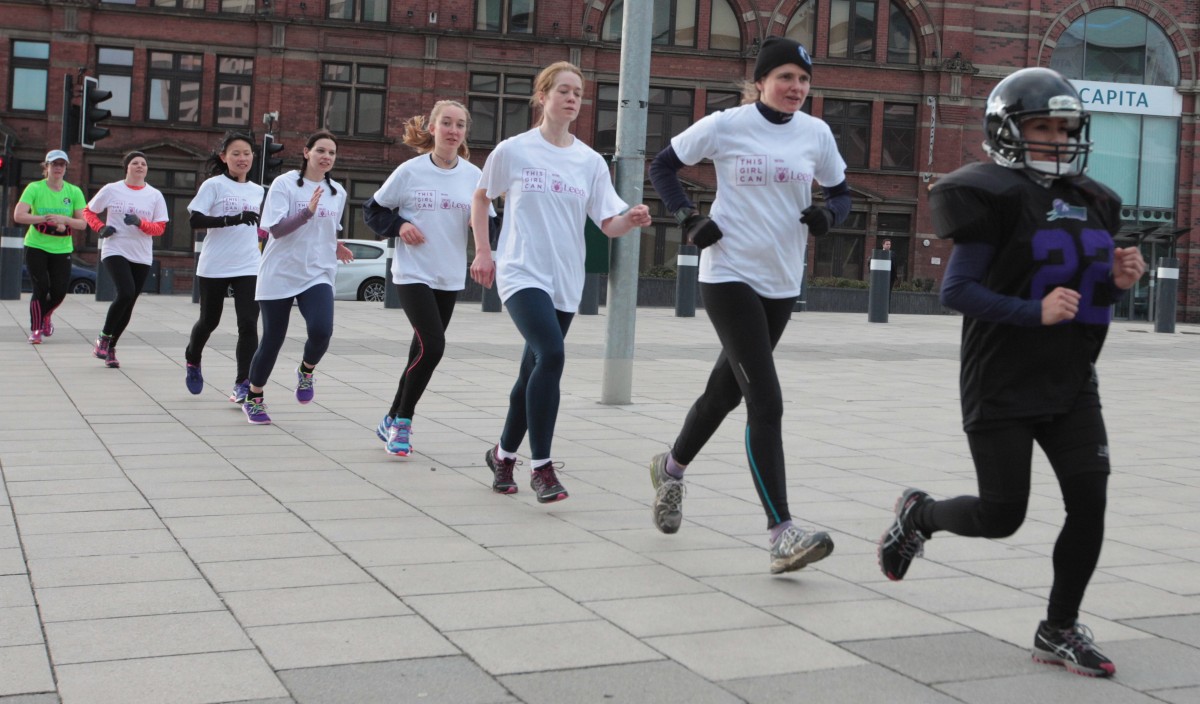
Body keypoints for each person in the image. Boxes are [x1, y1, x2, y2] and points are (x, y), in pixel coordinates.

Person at [877, 67, 1145, 678]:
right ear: (1008, 131)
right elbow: (957, 290)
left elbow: (1081, 291)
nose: (1055, 138)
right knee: (1003, 517)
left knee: (1091, 501)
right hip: (1002, 377)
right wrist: (1032, 311)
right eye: (1042, 126)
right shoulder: (989, 192)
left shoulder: (1094, 200)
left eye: (1065, 127)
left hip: (1073, 378)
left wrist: (1117, 280)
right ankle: (918, 515)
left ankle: (1058, 628)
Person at [646, 37, 850, 574]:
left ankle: (670, 469)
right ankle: (781, 531)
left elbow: (842, 192)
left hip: (781, 282)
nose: (796, 89)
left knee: (724, 393)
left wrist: (831, 217)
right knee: (767, 401)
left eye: (804, 80)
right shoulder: (725, 125)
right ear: (760, 81)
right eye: (785, 77)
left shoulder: (817, 134)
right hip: (729, 273)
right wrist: (689, 217)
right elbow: (662, 167)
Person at [470, 61, 651, 502]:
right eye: (564, 91)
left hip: (566, 279)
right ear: (543, 96)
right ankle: (542, 467)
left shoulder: (589, 161)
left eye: (578, 93)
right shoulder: (514, 150)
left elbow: (607, 222)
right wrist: (483, 251)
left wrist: (630, 218)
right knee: (552, 354)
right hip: (521, 270)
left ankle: (502, 455)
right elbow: (480, 196)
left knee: (532, 370)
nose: (573, 99)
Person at [368, 101, 488, 456]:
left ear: (465, 133)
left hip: (448, 276)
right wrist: (400, 225)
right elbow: (373, 210)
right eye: (446, 123)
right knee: (433, 347)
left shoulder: (473, 176)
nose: (453, 130)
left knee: (420, 351)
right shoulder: (410, 171)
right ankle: (402, 424)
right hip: (412, 274)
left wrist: (477, 225)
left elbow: (491, 221)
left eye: (460, 125)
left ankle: (389, 417)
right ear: (432, 128)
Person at [241, 131, 353, 424]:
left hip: (317, 271)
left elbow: (327, 228)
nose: (326, 157)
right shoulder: (285, 184)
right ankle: (254, 396)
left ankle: (306, 370)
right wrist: (307, 212)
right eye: (320, 151)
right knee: (273, 339)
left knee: (321, 330)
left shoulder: (337, 192)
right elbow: (275, 229)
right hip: (280, 271)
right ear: (306, 152)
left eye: (331, 152)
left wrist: (336, 244)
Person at [183, 132, 264, 401]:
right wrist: (233, 219)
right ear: (224, 157)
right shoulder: (213, 186)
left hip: (249, 265)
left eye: (247, 154)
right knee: (209, 321)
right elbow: (195, 220)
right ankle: (193, 359)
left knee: (249, 323)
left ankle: (243, 382)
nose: (242, 158)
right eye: (236, 154)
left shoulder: (258, 190)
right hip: (215, 265)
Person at [84, 151, 170, 368]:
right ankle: (103, 338)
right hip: (115, 249)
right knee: (126, 292)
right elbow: (88, 212)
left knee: (129, 303)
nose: (140, 166)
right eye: (135, 163)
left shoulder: (154, 195)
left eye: (143, 163)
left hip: (141, 254)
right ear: (127, 167)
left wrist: (140, 223)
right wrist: (101, 228)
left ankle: (111, 347)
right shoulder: (112, 189)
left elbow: (160, 228)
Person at [13, 150, 86, 344]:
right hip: (36, 245)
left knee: (60, 291)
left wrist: (64, 219)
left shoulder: (74, 191)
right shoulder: (34, 188)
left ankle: (46, 316)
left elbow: (83, 223)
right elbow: (19, 216)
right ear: (46, 167)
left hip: (62, 248)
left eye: (62, 165)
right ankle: (36, 329)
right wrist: (45, 219)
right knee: (40, 286)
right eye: (54, 164)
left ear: (66, 168)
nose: (58, 168)